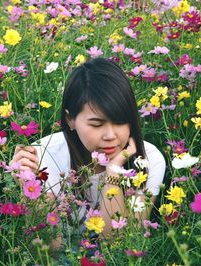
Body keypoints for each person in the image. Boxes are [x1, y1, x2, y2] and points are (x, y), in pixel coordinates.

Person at [10, 57, 165, 238]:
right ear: (70, 120)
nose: (110, 136)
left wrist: (114, 173)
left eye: (121, 122)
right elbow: (51, 251)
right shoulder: (43, 158)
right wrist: (31, 192)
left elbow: (118, 247)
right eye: (97, 124)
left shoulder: (149, 159)